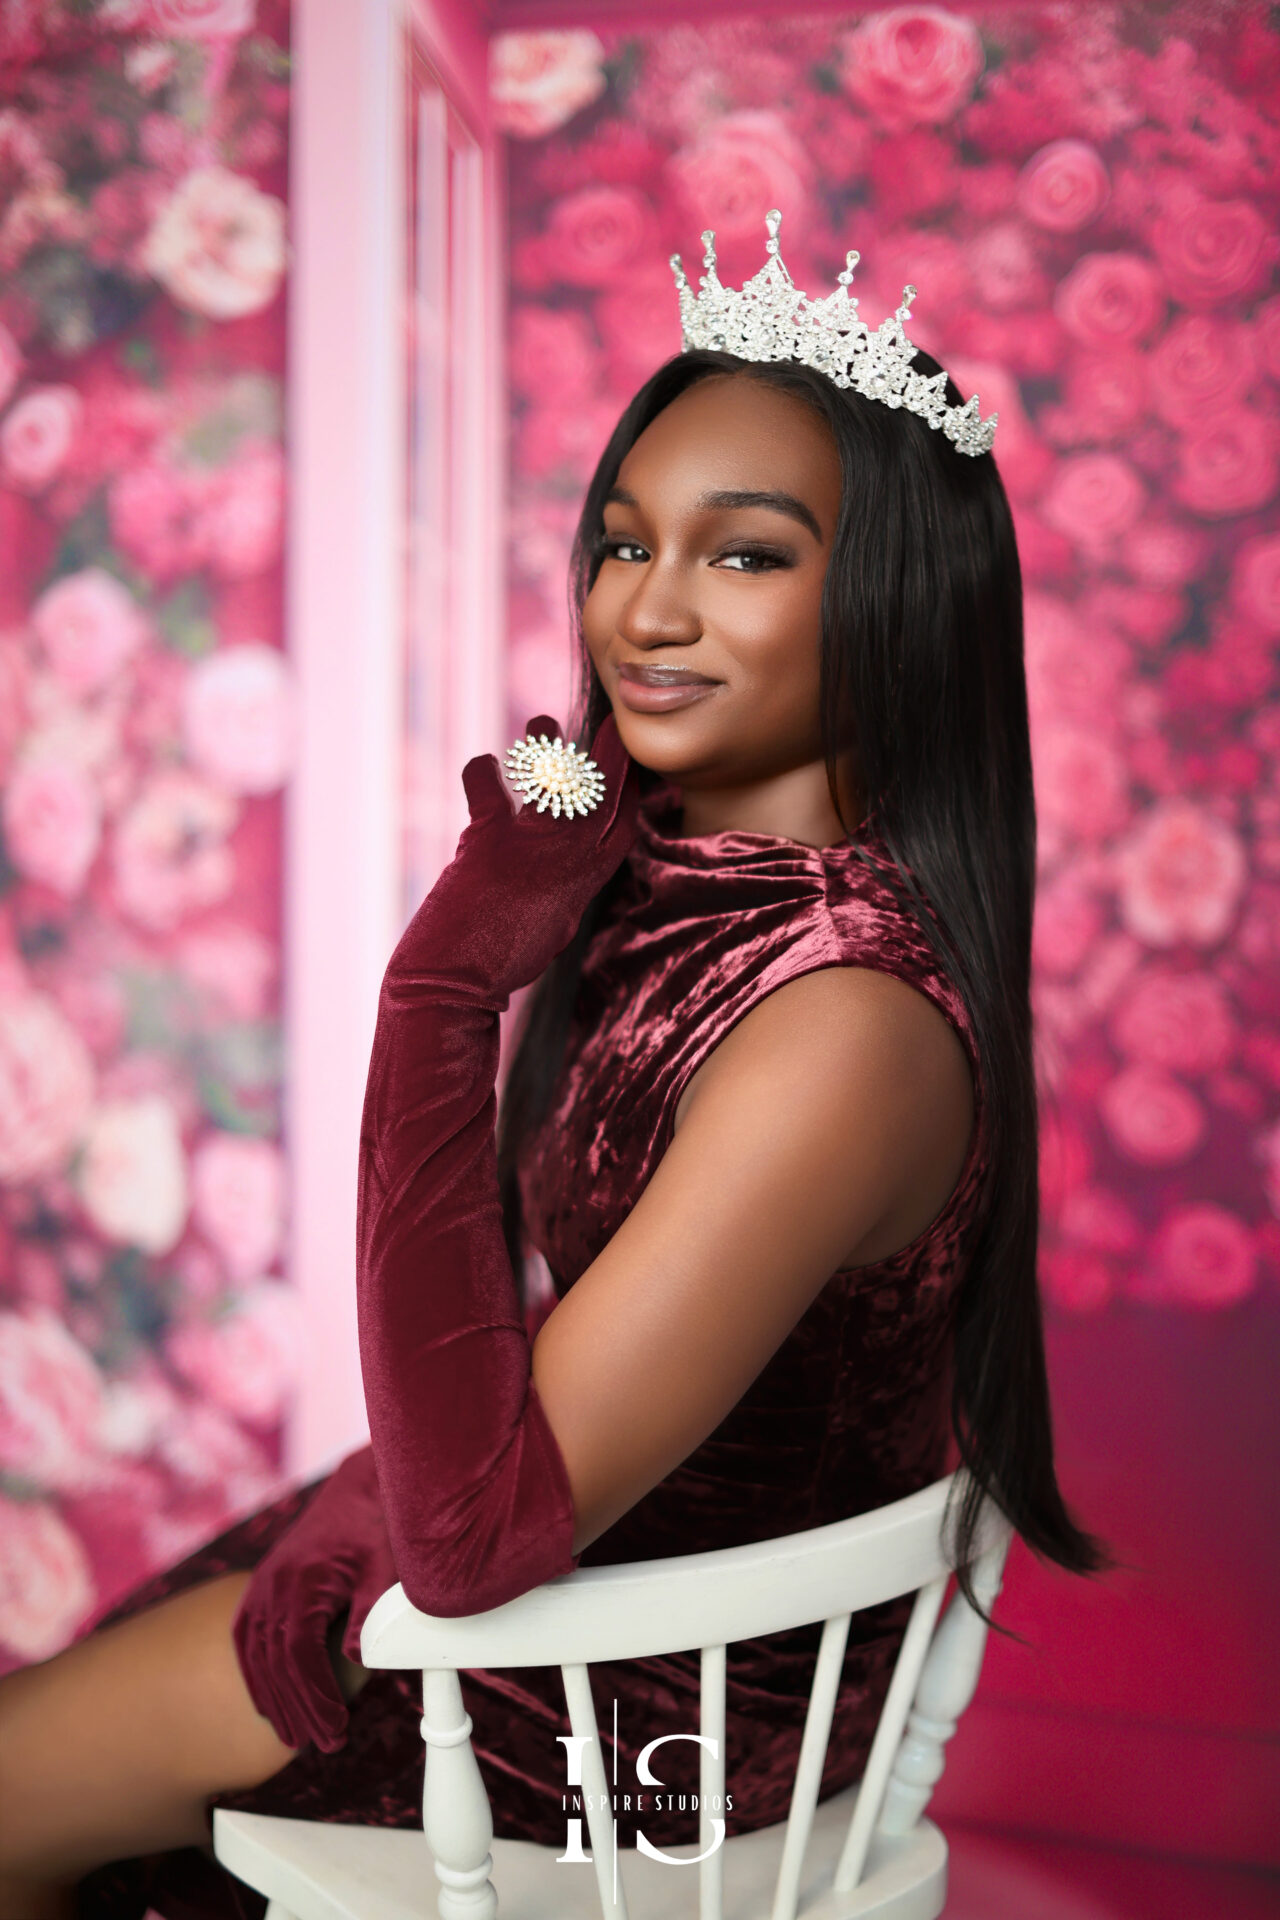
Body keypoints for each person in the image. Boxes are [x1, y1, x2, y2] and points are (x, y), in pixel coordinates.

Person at [0, 219, 1105, 1920]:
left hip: (633, 1716)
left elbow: (472, 1542)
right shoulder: (675, 887)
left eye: (743, 557)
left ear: (894, 597)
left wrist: (444, 983)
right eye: (620, 540)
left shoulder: (842, 1028)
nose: (644, 609)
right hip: (573, 1556)